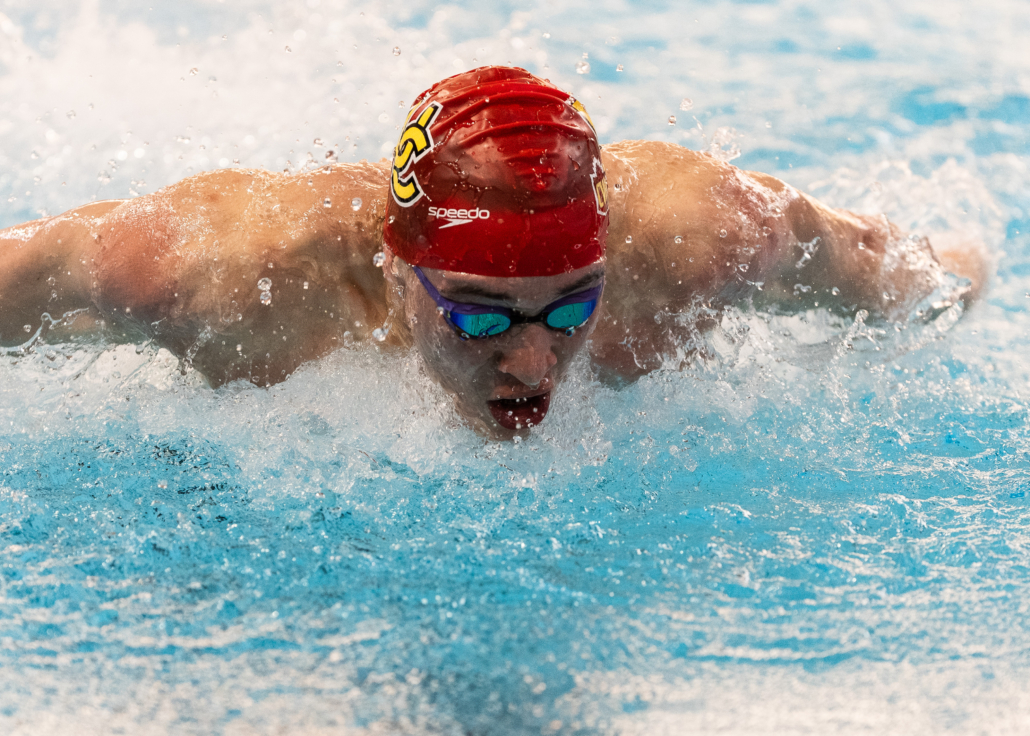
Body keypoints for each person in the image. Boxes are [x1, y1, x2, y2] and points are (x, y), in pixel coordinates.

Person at [0, 66, 985, 438]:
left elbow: (926, 273)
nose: (529, 363)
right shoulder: (214, 276)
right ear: (397, 265)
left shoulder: (699, 241)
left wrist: (955, 279)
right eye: (479, 313)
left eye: (570, 307)